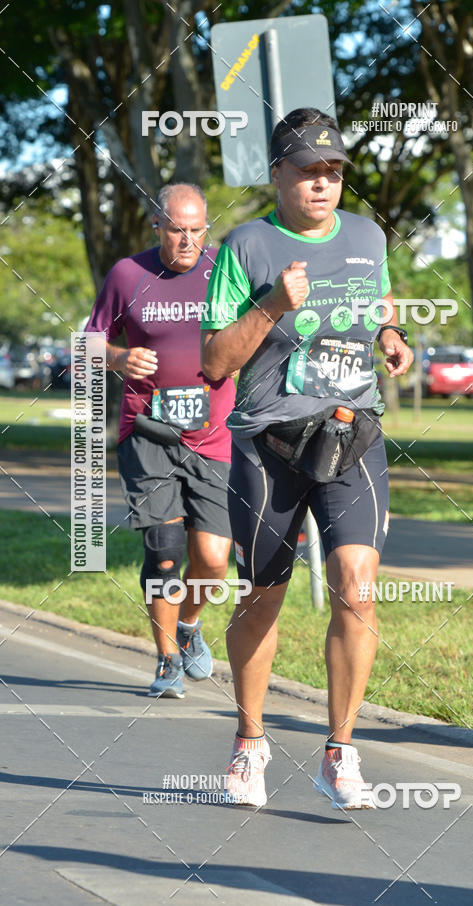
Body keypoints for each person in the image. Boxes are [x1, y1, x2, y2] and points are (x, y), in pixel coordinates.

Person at [200, 109, 413, 808]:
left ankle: (340, 751)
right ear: (278, 175)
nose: (323, 185)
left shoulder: (366, 234)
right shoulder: (247, 245)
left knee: (357, 584)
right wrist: (271, 305)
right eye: (308, 172)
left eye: (333, 172)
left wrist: (391, 335)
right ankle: (249, 740)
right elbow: (212, 363)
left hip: (353, 432)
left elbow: (375, 300)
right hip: (270, 443)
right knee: (264, 593)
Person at [86, 183, 235, 698]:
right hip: (147, 430)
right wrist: (119, 359)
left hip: (214, 435)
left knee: (214, 558)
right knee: (165, 549)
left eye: (197, 230)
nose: (188, 240)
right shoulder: (129, 274)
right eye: (177, 230)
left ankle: (190, 624)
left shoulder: (226, 270)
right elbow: (89, 343)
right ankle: (166, 656)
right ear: (158, 226)